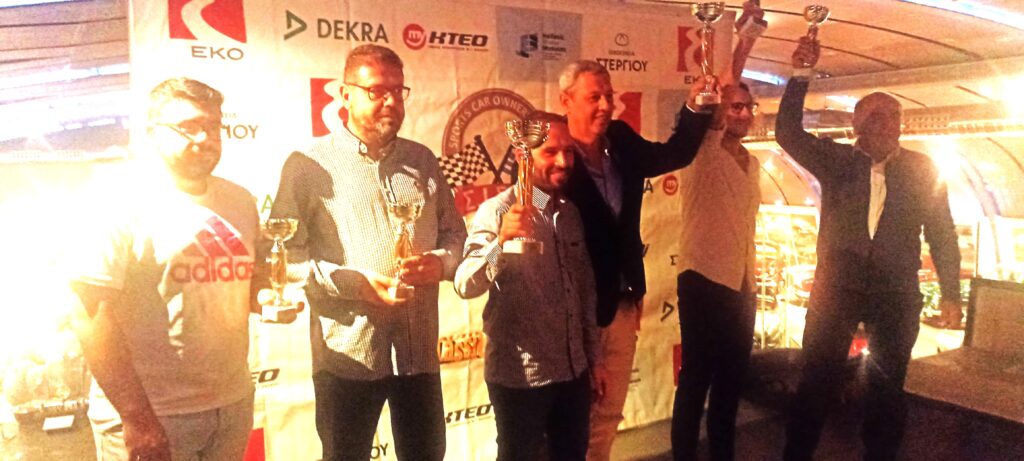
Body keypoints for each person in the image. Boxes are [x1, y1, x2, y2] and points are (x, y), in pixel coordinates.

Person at [267, 44, 466, 461]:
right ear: (345, 94)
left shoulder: (423, 160)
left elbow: (455, 235)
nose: (390, 101)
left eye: (398, 90)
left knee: (427, 456)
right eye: (376, 91)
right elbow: (285, 256)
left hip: (417, 352)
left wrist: (441, 263)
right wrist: (352, 284)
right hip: (348, 353)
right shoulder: (307, 165)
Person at [778, 37, 963, 461]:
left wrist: (951, 293)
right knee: (816, 381)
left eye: (895, 115)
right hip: (836, 289)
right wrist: (800, 75)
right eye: (878, 116)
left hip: (895, 293)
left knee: (887, 388)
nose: (889, 123)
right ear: (858, 125)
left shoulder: (921, 170)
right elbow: (787, 133)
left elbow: (942, 231)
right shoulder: (837, 161)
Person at [70, 77, 261, 461]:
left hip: (231, 404)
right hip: (155, 413)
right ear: (152, 132)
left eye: (213, 126)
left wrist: (264, 297)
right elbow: (88, 315)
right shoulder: (115, 200)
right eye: (188, 126)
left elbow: (239, 283)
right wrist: (137, 419)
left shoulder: (240, 200)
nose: (204, 137)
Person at [558, 47, 719, 461]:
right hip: (572, 309)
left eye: (609, 95)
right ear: (566, 101)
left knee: (609, 411)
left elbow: (673, 154)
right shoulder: (552, 151)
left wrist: (696, 106)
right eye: (594, 97)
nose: (606, 105)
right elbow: (534, 212)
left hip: (623, 302)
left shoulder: (621, 139)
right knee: (572, 414)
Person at [454, 111, 603, 461]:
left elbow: (584, 292)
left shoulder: (568, 212)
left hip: (573, 371)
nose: (563, 161)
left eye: (568, 151)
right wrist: (500, 245)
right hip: (521, 377)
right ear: (523, 155)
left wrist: (594, 359)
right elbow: (464, 283)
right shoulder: (497, 211)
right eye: (550, 151)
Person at [672, 3, 767, 460]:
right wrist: (746, 40)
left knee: (731, 384)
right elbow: (721, 91)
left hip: (742, 284)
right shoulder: (702, 149)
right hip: (704, 279)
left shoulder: (755, 162)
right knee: (695, 382)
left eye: (750, 106)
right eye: (736, 105)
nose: (744, 112)